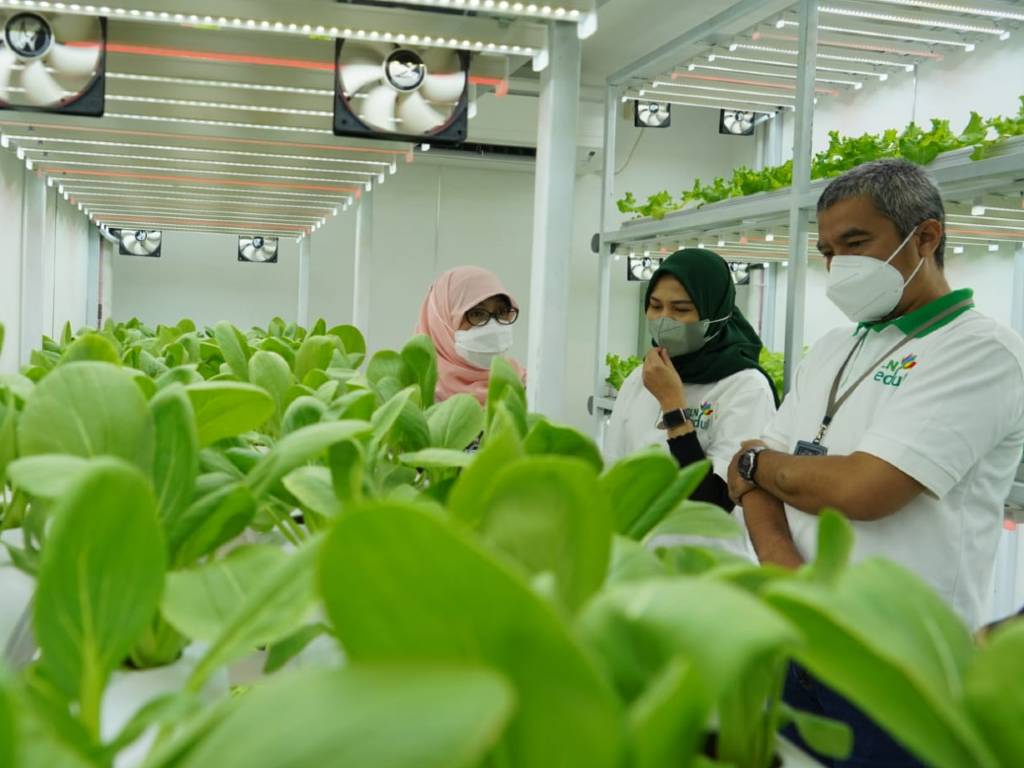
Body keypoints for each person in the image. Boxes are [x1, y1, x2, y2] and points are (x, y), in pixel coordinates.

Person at [726, 158, 1024, 766]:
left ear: (926, 237)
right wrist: (792, 580)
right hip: (795, 644)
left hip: (895, 669)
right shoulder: (837, 345)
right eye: (828, 250)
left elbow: (865, 490)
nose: (839, 265)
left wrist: (765, 468)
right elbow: (743, 474)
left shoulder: (978, 351)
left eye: (856, 243)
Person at [605, 248, 778, 514]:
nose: (664, 319)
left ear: (716, 313)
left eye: (681, 309)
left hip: (707, 549)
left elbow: (717, 501)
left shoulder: (745, 387)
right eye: (655, 306)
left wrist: (672, 406)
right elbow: (615, 467)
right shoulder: (640, 378)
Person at [416, 266, 526, 405]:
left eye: (502, 311)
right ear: (442, 322)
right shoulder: (415, 400)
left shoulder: (525, 386)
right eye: (477, 314)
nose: (493, 326)